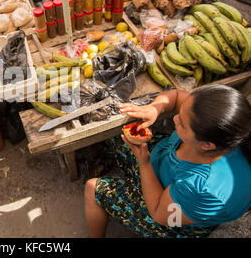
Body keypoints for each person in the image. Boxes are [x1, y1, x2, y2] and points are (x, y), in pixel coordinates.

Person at [84, 84, 251, 238]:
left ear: (207, 145)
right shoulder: (213, 123)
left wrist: (144, 162)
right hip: (162, 166)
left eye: (182, 124)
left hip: (172, 216)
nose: (174, 119)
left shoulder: (204, 189)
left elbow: (158, 212)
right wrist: (154, 109)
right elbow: (177, 96)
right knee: (115, 130)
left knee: (93, 188)